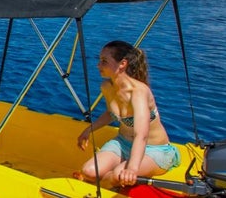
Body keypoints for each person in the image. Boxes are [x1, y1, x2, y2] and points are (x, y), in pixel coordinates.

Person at [76, 40, 180, 189]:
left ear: (122, 64)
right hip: (123, 143)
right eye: (99, 61)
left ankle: (106, 182)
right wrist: (88, 130)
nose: (98, 65)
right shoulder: (106, 87)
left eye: (104, 61)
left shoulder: (139, 92)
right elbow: (111, 114)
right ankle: (98, 180)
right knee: (89, 171)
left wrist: (132, 168)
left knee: (119, 175)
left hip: (154, 149)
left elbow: (141, 135)